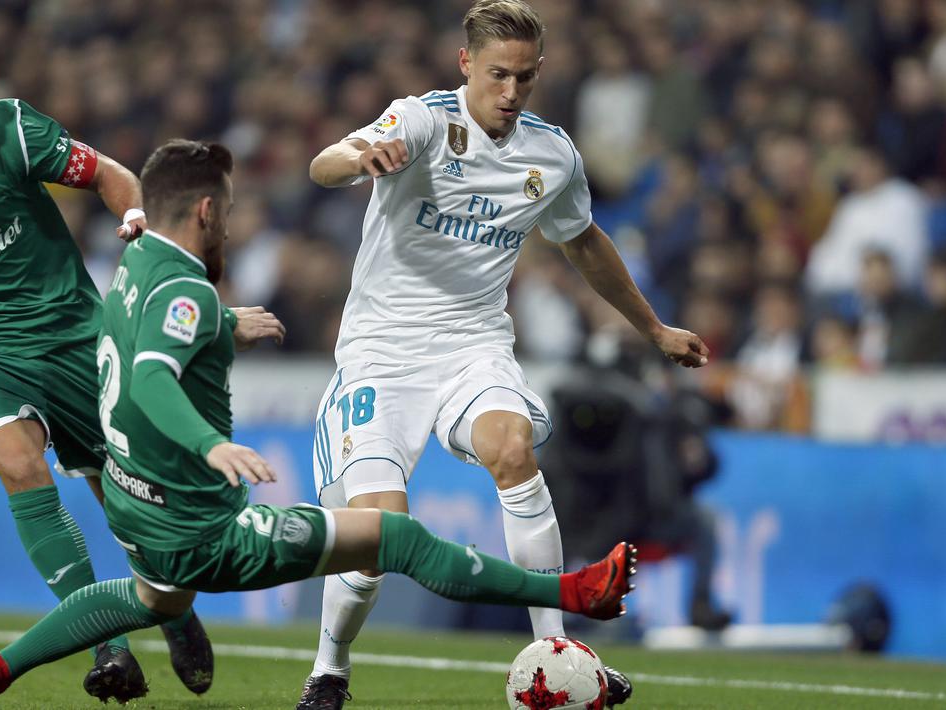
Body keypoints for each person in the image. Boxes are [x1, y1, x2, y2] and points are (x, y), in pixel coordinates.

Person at [0, 139, 639, 710]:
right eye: (224, 210)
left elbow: (146, 343)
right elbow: (156, 375)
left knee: (145, 598)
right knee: (393, 537)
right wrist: (209, 442)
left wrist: (225, 326)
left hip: (136, 513)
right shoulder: (185, 287)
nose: (229, 222)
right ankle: (573, 594)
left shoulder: (131, 270)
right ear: (202, 213)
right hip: (204, 533)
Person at [0, 32, 273, 703]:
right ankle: (108, 647)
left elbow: (108, 172)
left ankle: (174, 610)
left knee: (123, 499)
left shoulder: (6, 125)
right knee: (18, 462)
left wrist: (132, 212)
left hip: (74, 336)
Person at [299, 1, 708, 706]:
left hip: (472, 347)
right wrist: (359, 155)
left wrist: (653, 329)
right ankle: (329, 668)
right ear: (466, 65)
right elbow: (322, 164)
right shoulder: (421, 120)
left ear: (538, 72)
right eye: (497, 75)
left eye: (524, 77)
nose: (510, 92)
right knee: (378, 535)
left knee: (513, 448)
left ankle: (556, 651)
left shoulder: (549, 154)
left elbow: (582, 241)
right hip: (381, 355)